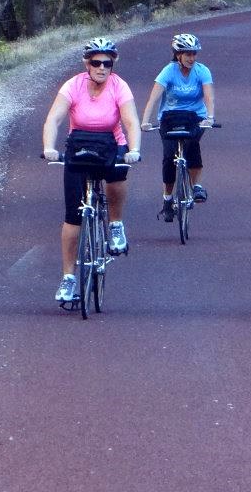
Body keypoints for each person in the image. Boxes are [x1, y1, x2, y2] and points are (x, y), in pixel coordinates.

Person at [42, 37, 141, 302]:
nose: (101, 68)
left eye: (107, 63)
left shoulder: (119, 87)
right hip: (80, 145)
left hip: (112, 143)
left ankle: (116, 224)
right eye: (96, 62)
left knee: (119, 171)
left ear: (113, 65)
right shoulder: (72, 86)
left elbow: (130, 122)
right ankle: (68, 278)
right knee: (73, 216)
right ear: (87, 63)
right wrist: (49, 147)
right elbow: (54, 118)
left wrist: (134, 150)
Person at [140, 33, 215, 221]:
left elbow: (208, 96)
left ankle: (196, 186)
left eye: (193, 54)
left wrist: (210, 117)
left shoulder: (202, 71)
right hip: (170, 117)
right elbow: (154, 97)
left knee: (191, 146)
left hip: (196, 116)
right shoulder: (169, 71)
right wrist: (145, 120)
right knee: (169, 156)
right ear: (178, 55)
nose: (191, 58)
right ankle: (167, 199)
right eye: (187, 54)